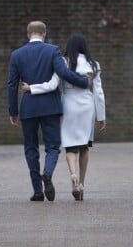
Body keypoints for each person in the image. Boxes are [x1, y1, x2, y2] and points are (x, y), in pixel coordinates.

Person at [7, 22, 89, 202]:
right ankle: (48, 173)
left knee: (30, 148)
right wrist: (83, 82)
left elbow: (12, 85)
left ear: (28, 34)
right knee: (52, 146)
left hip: (28, 107)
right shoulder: (53, 50)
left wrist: (13, 111)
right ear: (44, 33)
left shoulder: (16, 55)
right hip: (50, 106)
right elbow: (63, 72)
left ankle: (37, 191)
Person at [22, 33, 106, 201]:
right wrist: (101, 117)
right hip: (87, 105)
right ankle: (81, 184)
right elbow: (99, 93)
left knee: (70, 146)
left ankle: (73, 175)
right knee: (84, 146)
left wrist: (32, 88)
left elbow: (52, 85)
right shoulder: (94, 65)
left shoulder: (63, 62)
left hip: (68, 105)